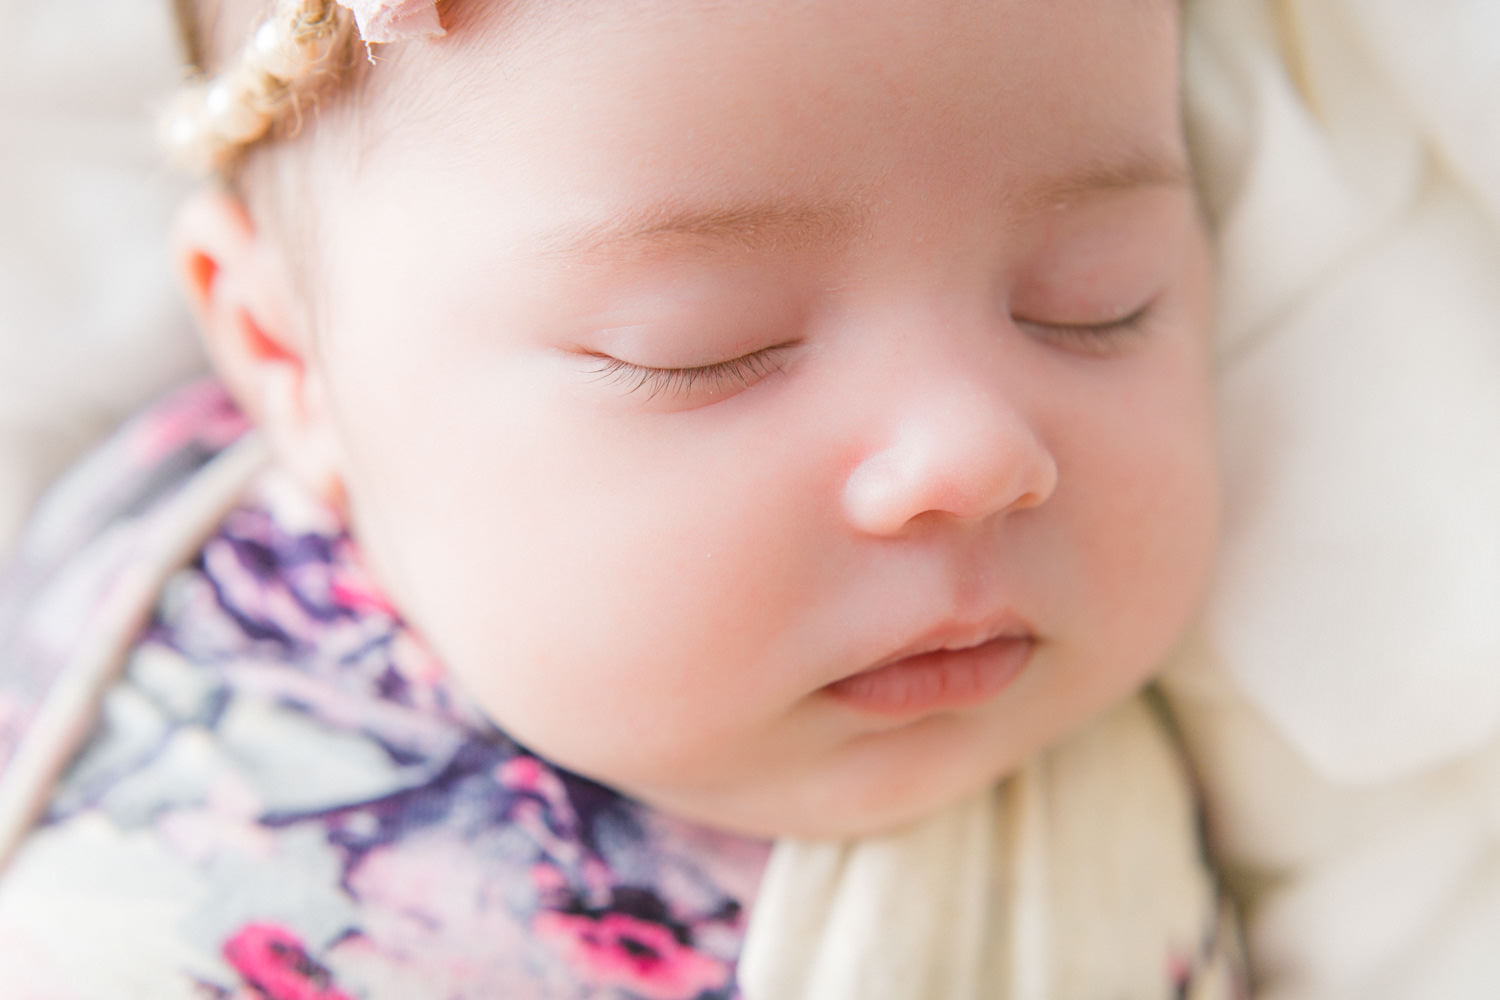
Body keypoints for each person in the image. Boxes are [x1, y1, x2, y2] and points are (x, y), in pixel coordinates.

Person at [0, 0, 1241, 995]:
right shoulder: (156, 916)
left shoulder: (1250, 784)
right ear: (289, 363)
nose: (975, 452)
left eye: (1096, 302)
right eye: (702, 345)